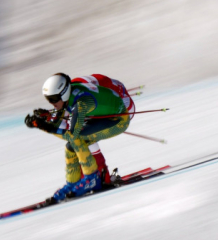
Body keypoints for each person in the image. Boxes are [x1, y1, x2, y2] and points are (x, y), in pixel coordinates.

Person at [25, 73, 135, 202]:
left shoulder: (81, 103)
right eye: (48, 99)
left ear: (64, 93)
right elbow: (60, 117)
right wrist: (46, 118)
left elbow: (73, 135)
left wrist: (44, 126)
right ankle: (72, 183)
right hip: (106, 114)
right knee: (70, 146)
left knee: (78, 139)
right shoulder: (68, 95)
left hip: (118, 120)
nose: (51, 102)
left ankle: (92, 179)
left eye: (54, 98)